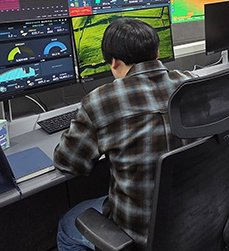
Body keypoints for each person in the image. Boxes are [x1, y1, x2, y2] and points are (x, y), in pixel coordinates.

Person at [53, 19, 195, 251]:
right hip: (193, 214)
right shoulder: (190, 83)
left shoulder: (100, 101)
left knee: (67, 224)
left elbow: (69, 162)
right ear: (157, 54)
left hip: (139, 236)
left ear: (114, 62)